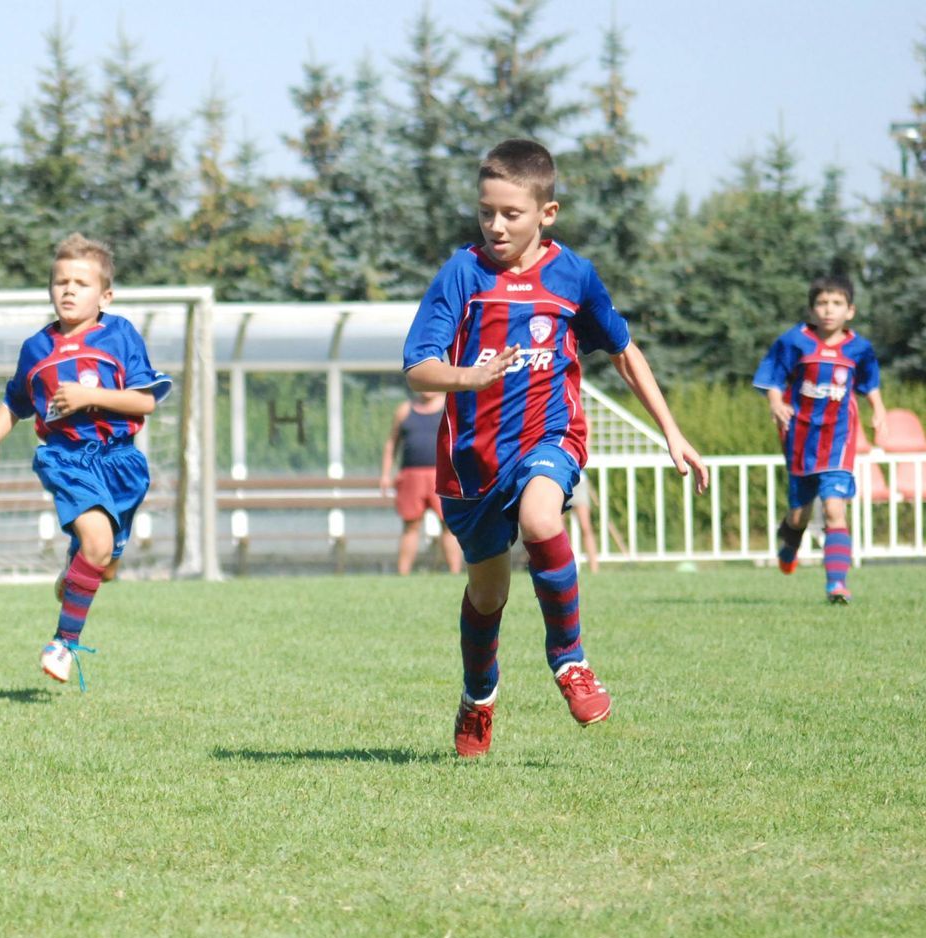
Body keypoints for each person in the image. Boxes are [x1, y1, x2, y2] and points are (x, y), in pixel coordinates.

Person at [402, 138, 707, 759]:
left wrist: (672, 430)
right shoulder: (462, 274)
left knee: (543, 517)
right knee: (488, 594)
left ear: (547, 212)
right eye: (486, 211)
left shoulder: (574, 276)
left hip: (549, 438)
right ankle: (478, 697)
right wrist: (468, 377)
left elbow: (623, 350)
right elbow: (418, 369)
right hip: (472, 463)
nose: (495, 225)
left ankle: (570, 661)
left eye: (511, 214)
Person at [0, 234, 170, 686]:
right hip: (68, 458)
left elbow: (145, 403)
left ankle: (76, 567)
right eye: (61, 281)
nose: (68, 290)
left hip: (122, 462)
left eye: (81, 283)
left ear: (105, 295)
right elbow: (15, 402)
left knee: (105, 562)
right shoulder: (36, 349)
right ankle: (62, 643)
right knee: (97, 545)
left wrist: (88, 396)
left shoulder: (120, 335)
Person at [753, 274, 885, 604]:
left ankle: (836, 585)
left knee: (834, 508)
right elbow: (773, 376)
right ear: (812, 310)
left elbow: (870, 383)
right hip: (800, 437)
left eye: (837, 303)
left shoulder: (859, 348)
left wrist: (879, 410)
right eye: (822, 303)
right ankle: (789, 541)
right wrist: (775, 402)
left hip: (839, 439)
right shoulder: (794, 341)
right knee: (799, 514)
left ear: (850, 310)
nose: (829, 310)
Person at [377, 389, 463, 575]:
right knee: (410, 526)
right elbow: (392, 443)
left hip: (443, 475)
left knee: (448, 525)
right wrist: (385, 474)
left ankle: (455, 573)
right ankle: (403, 574)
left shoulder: (450, 407)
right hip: (411, 476)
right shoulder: (404, 410)